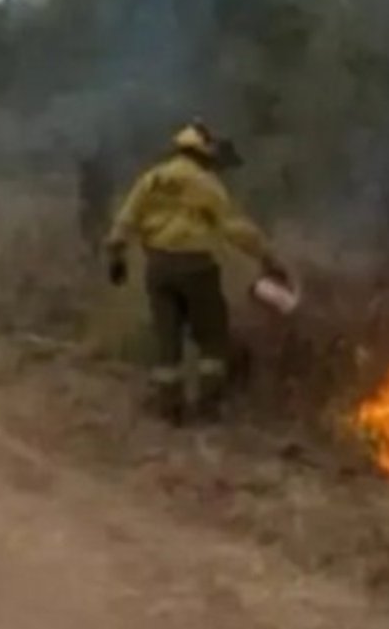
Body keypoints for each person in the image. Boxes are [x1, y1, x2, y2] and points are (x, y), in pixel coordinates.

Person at [104, 120, 289, 424]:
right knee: (212, 338)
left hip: (159, 268)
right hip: (196, 269)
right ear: (203, 154)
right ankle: (207, 406)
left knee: (168, 340)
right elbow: (234, 227)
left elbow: (126, 219)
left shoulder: (153, 178)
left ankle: (169, 409)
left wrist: (116, 254)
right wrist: (268, 257)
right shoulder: (205, 183)